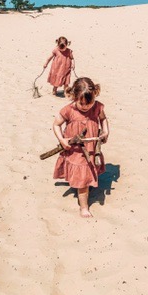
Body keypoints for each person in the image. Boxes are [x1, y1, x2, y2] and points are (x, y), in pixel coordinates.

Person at [52, 77, 109, 218]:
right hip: (76, 150)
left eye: (89, 103)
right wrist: (62, 139)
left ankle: (85, 181)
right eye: (82, 104)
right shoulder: (68, 110)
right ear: (74, 96)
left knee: (86, 171)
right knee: (82, 181)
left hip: (91, 148)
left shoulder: (98, 107)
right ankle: (84, 208)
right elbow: (56, 125)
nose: (86, 107)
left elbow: (103, 119)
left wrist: (106, 131)